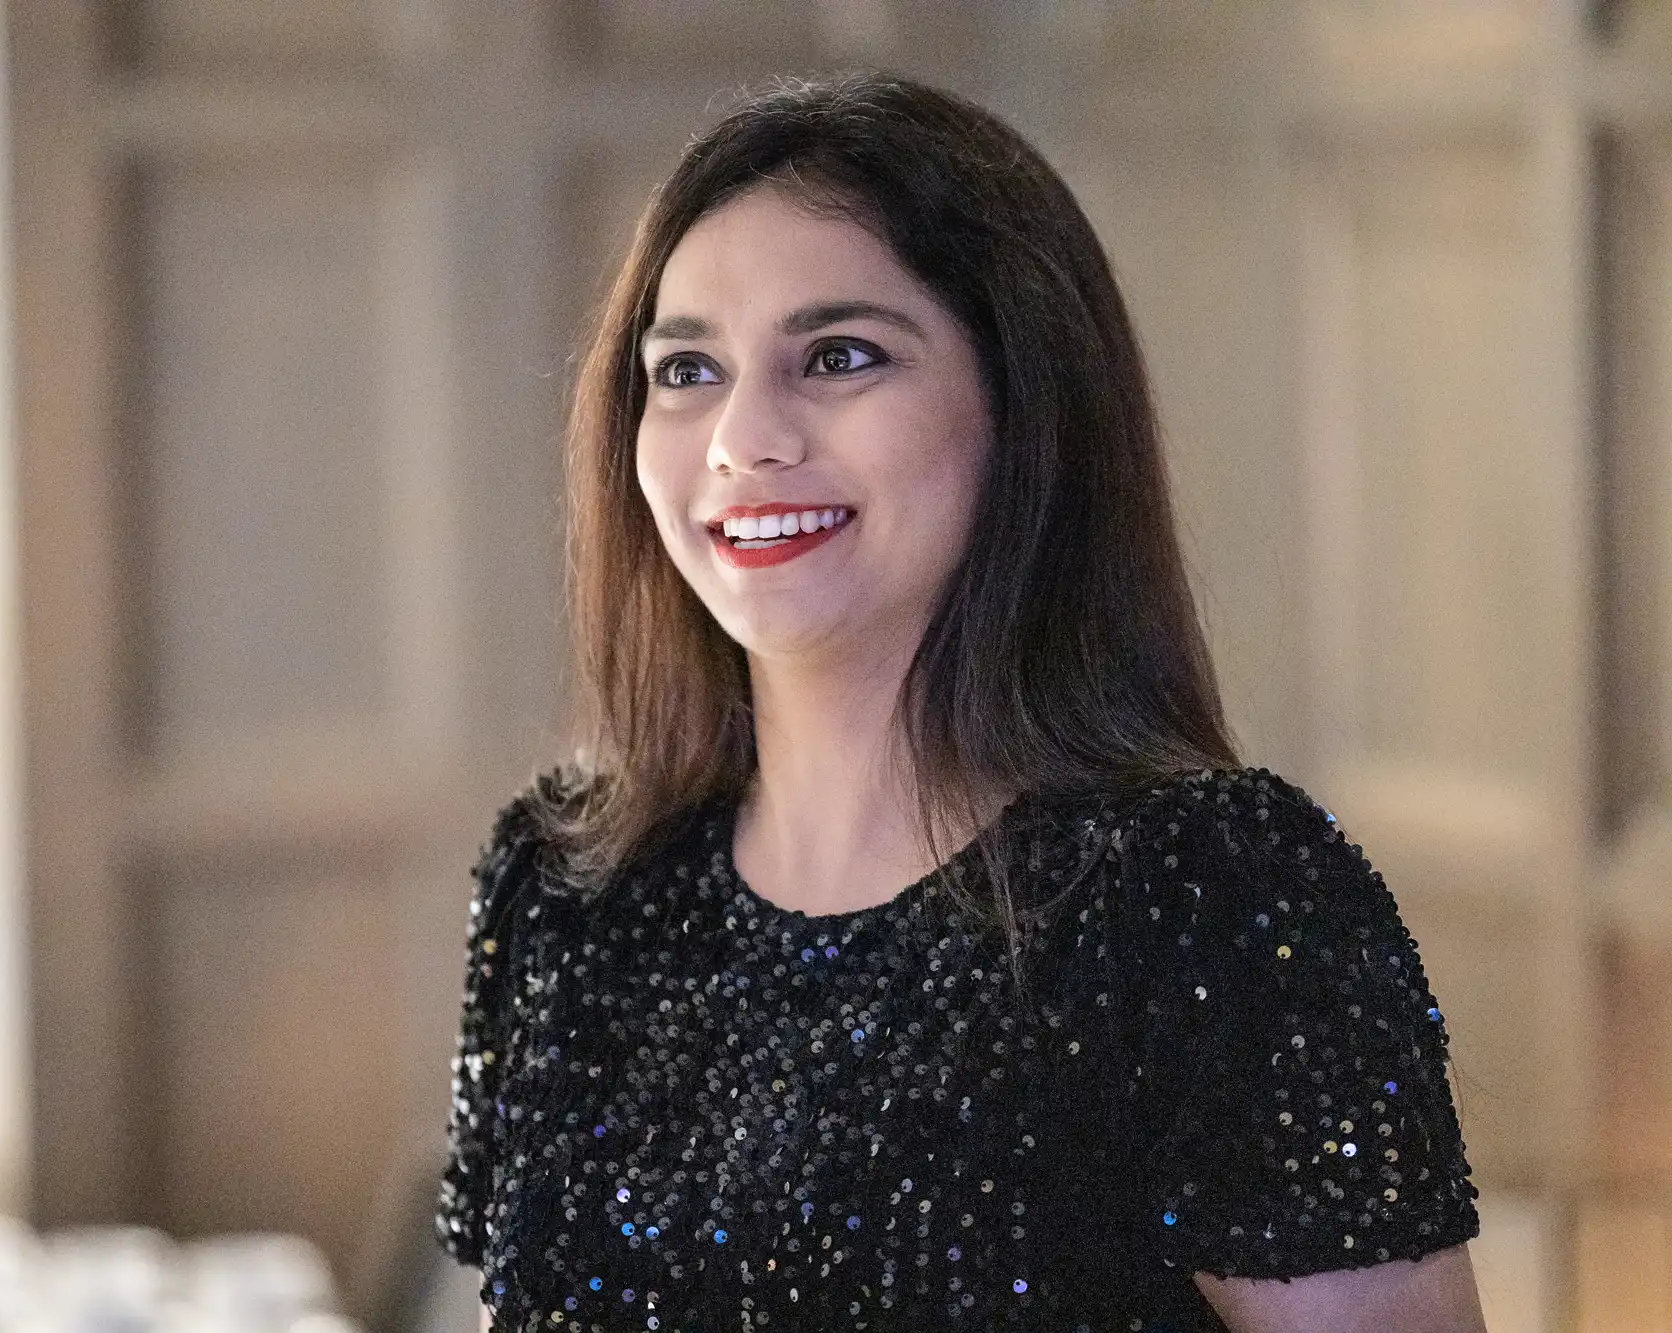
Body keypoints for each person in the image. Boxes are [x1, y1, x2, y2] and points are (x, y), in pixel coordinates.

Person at [431, 73, 1485, 1333]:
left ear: (1021, 403)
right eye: (687, 369)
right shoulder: (566, 884)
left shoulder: (1212, 894)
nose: (740, 439)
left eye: (837, 356)